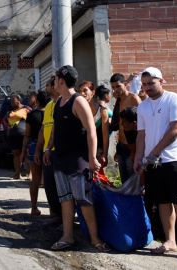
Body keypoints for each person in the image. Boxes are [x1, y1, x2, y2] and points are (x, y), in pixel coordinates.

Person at [133, 67, 177, 264]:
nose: (147, 88)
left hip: (173, 159)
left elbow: (176, 128)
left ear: (162, 81)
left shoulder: (174, 100)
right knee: (162, 202)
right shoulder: (143, 106)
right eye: (144, 84)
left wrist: (154, 153)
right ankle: (170, 240)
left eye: (151, 83)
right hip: (152, 163)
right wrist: (139, 157)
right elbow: (141, 135)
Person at [44, 65, 108, 252]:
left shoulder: (78, 101)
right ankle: (67, 237)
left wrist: (92, 157)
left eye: (55, 79)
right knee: (65, 199)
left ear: (62, 81)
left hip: (78, 160)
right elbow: (56, 129)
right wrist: (48, 148)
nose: (54, 83)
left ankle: (95, 239)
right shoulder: (58, 103)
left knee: (84, 200)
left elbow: (91, 131)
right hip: (60, 159)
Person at [35, 76, 61, 217]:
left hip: (59, 153)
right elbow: (43, 129)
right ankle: (54, 217)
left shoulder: (64, 103)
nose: (46, 89)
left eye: (48, 86)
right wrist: (39, 150)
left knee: (61, 190)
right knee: (50, 188)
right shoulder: (50, 105)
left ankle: (64, 221)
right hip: (47, 152)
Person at [110, 73, 141, 183]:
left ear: (125, 84)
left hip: (132, 147)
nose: (115, 90)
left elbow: (141, 125)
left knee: (133, 182)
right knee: (124, 182)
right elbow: (119, 125)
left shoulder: (133, 98)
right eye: (113, 87)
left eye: (118, 86)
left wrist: (136, 151)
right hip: (121, 146)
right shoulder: (118, 102)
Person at [22, 91, 47, 216]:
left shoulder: (31, 115)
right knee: (49, 180)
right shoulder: (51, 113)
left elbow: (26, 135)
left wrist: (23, 153)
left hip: (33, 146)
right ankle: (53, 209)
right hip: (48, 146)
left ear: (36, 101)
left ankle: (34, 207)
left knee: (35, 179)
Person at [79, 82, 112, 168]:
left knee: (97, 178)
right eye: (80, 91)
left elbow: (105, 135)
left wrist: (104, 154)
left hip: (98, 152)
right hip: (83, 151)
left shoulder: (102, 111)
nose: (82, 93)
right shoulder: (79, 110)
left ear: (93, 92)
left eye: (85, 90)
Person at [7, 94, 29, 179]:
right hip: (14, 136)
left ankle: (30, 173)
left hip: (25, 135)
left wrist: (15, 115)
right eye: (11, 101)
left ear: (19, 100)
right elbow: (8, 118)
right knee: (16, 154)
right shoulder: (10, 110)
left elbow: (30, 117)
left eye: (14, 100)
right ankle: (17, 173)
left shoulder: (26, 108)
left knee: (27, 154)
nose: (12, 102)